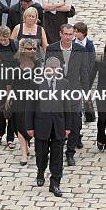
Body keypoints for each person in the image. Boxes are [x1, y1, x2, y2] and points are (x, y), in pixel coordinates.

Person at [26, 57, 71, 198]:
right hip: (41, 125)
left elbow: (67, 106)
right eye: (50, 68)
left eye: (55, 68)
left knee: (57, 156)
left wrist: (68, 126)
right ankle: (40, 171)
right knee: (41, 154)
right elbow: (30, 106)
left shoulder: (64, 83)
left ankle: (55, 183)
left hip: (58, 125)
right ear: (45, 68)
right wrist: (29, 126)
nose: (52, 71)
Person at [46, 23, 90, 167]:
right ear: (60, 34)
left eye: (71, 35)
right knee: (56, 122)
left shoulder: (80, 50)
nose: (68, 37)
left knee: (75, 123)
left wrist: (86, 92)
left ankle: (70, 152)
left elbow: (83, 72)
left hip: (74, 92)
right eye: (66, 34)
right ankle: (55, 150)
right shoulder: (51, 49)